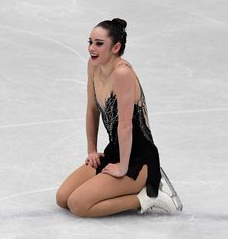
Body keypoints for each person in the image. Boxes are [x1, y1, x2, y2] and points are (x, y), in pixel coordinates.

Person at [56, 18, 178, 217]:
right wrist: (92, 150)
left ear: (116, 47)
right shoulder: (94, 66)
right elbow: (92, 109)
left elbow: (125, 126)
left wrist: (122, 167)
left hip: (138, 160)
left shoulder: (122, 73)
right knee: (63, 199)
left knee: (79, 205)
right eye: (90, 42)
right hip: (115, 151)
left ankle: (147, 197)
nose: (91, 48)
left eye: (99, 44)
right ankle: (132, 189)